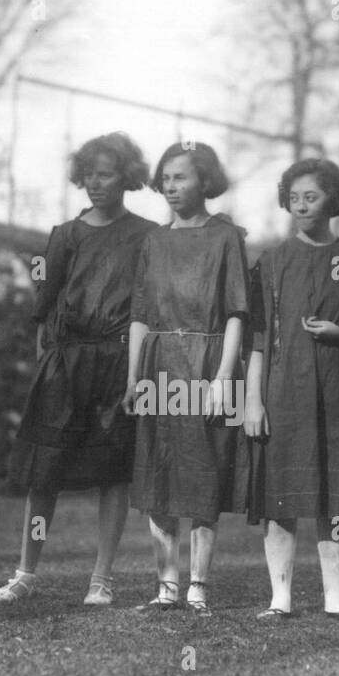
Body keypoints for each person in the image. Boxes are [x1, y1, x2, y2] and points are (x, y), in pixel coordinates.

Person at [0, 133, 158, 606]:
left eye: (105, 173)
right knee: (44, 473)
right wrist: (46, 359)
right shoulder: (63, 235)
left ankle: (101, 580)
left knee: (113, 474)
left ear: (125, 176)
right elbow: (42, 303)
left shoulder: (147, 235)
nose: (94, 183)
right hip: (66, 363)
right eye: (88, 174)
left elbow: (150, 306)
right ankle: (25, 573)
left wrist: (136, 368)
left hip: (118, 361)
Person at [122, 142, 250, 617]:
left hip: (208, 358)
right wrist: (134, 375)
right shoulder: (153, 241)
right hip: (159, 361)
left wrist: (222, 379)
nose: (172, 187)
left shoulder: (226, 237)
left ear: (205, 181)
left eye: (182, 177)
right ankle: (165, 586)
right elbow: (139, 313)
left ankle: (198, 586)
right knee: (158, 472)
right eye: (167, 178)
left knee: (203, 472)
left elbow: (238, 311)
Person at [241, 158, 339, 620]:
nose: (300, 207)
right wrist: (252, 400)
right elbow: (256, 339)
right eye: (293, 199)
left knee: (333, 490)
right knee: (281, 491)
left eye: (310, 197)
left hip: (338, 391)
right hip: (281, 391)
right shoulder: (272, 262)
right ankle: (281, 599)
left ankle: (336, 600)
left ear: (332, 199)